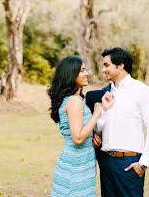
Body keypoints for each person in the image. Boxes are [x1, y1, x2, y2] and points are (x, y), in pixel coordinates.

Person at [85, 47, 149, 197]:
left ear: (120, 66)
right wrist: (97, 133)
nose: (103, 69)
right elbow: (101, 127)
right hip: (106, 163)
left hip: (129, 163)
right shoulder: (105, 92)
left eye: (106, 65)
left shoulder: (141, 90)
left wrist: (143, 164)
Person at [48, 55, 113, 197]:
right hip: (75, 166)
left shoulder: (75, 100)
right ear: (71, 74)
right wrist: (96, 113)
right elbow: (77, 138)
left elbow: (79, 131)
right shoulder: (73, 102)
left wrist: (92, 135)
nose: (87, 73)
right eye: (82, 70)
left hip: (82, 163)